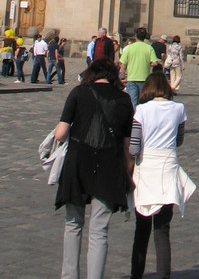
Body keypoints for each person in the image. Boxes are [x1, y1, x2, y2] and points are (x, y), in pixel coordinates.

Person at [53, 55, 134, 279]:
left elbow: (60, 134)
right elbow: (128, 147)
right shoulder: (125, 100)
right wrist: (128, 174)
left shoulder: (78, 93)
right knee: (99, 230)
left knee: (73, 224)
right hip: (109, 164)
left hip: (78, 162)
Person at [130, 67, 195, 279]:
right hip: (168, 167)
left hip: (146, 169)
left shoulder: (141, 111)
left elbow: (133, 147)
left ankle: (136, 275)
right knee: (162, 230)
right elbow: (179, 140)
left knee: (142, 229)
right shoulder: (178, 109)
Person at [120, 28, 158, 107]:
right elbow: (155, 63)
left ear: (135, 36)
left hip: (131, 79)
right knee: (143, 102)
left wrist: (123, 77)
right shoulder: (149, 48)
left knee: (132, 102)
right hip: (144, 78)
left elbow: (123, 64)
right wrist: (146, 63)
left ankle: (134, 118)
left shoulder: (129, 48)